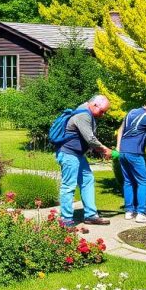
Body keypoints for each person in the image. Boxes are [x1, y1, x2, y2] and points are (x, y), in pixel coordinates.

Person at [57, 95, 114, 226]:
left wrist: (100, 150)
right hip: (69, 154)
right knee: (68, 186)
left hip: (77, 155)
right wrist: (105, 150)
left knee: (87, 179)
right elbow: (90, 139)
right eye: (102, 111)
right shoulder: (84, 115)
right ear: (94, 105)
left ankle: (91, 215)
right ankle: (66, 220)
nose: (103, 115)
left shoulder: (87, 111)